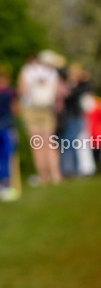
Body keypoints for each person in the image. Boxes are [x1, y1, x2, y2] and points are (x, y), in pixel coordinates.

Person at [18, 50, 63, 185]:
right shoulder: (53, 73)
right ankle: (55, 175)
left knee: (37, 144)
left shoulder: (27, 70)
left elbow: (22, 91)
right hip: (47, 109)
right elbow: (57, 93)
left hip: (31, 109)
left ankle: (43, 177)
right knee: (50, 142)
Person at [0, 65, 19, 202]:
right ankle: (5, 185)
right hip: (6, 128)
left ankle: (5, 185)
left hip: (6, 127)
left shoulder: (9, 92)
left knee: (5, 158)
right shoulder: (10, 92)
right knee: (6, 158)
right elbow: (16, 109)